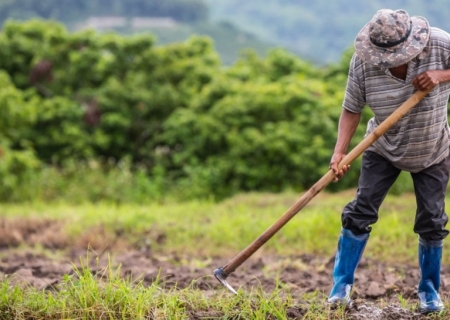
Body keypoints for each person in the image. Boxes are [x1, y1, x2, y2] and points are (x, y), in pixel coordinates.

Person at [328, 9, 450, 314]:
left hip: (433, 149)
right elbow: (351, 108)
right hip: (382, 148)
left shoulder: (439, 44)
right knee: (360, 211)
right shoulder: (363, 64)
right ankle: (340, 288)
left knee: (432, 221)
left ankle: (430, 292)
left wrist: (443, 75)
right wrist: (339, 152)